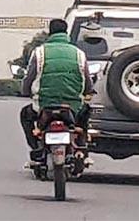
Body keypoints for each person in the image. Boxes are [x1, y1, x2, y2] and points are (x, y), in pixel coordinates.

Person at [20, 19, 93, 159]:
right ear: (66, 33)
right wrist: (88, 92)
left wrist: (25, 91)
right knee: (85, 113)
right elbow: (87, 81)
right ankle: (81, 146)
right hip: (73, 107)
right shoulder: (79, 54)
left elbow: (29, 78)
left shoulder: (39, 53)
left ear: (50, 32)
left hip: (43, 105)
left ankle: (36, 148)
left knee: (25, 115)